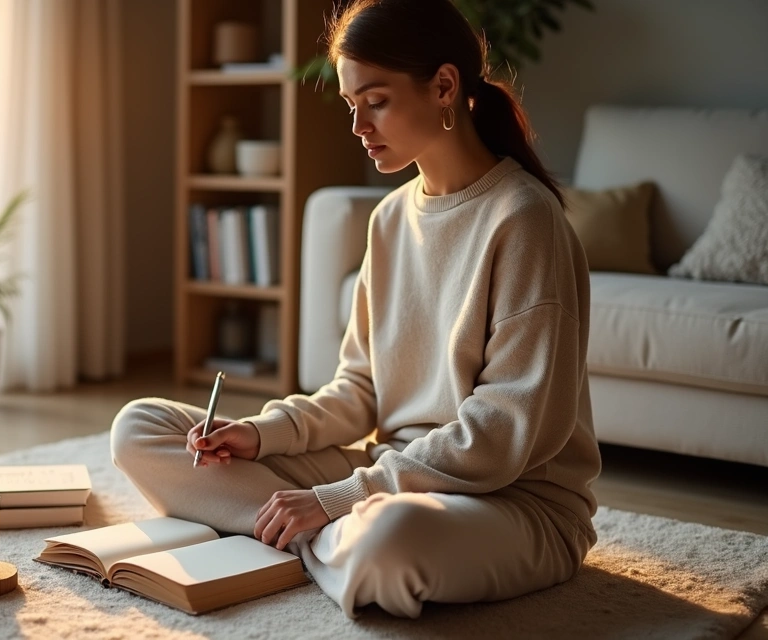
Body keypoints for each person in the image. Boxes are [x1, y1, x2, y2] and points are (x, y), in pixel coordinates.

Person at [110, 0, 601, 619]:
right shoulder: (390, 218)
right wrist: (259, 436)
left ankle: (298, 536)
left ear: (444, 86)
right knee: (140, 428)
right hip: (391, 473)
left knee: (389, 544)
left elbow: (503, 435)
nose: (359, 126)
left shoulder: (525, 219)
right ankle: (312, 536)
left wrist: (341, 496)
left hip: (514, 503)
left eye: (376, 101)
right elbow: (359, 389)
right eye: (350, 105)